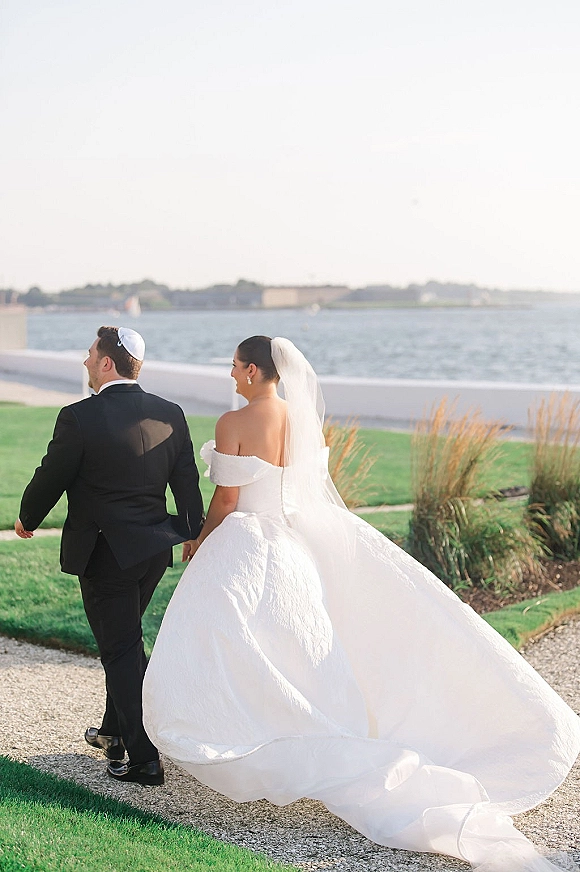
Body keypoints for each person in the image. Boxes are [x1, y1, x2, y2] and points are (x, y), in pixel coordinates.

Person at [143, 336, 580, 870]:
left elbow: (228, 498)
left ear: (255, 370)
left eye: (235, 367)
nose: (231, 376)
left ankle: (252, 729)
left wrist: (200, 539)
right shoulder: (300, 421)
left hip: (246, 543)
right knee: (298, 644)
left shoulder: (233, 424)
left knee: (232, 639)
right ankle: (299, 719)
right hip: (293, 548)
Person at [16, 325, 204, 787]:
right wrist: (193, 533)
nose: (84, 362)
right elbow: (187, 482)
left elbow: (51, 475)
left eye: (89, 354)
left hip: (106, 555)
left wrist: (28, 517)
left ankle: (144, 759)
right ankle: (112, 732)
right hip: (153, 551)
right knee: (122, 641)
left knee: (120, 650)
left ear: (106, 363)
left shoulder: (79, 417)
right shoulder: (171, 413)